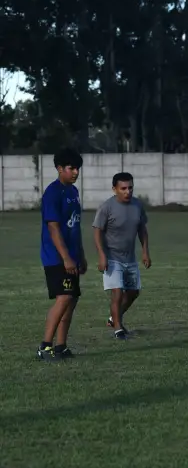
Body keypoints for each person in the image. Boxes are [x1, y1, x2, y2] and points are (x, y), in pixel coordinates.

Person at [37, 148, 87, 361]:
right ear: (59, 169)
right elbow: (54, 228)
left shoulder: (73, 192)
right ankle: (44, 346)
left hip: (72, 255)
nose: (76, 172)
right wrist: (66, 257)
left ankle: (61, 346)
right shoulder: (53, 193)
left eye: (78, 168)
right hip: (56, 256)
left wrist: (81, 255)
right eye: (71, 168)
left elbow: (75, 226)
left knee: (72, 299)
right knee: (64, 297)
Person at [92, 172, 151, 339]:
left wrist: (145, 251)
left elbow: (142, 229)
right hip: (112, 257)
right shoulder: (106, 207)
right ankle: (118, 328)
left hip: (130, 257)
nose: (127, 192)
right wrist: (102, 255)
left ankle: (113, 318)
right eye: (123, 188)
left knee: (133, 292)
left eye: (130, 188)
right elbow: (97, 232)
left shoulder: (137, 205)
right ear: (114, 189)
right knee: (117, 292)